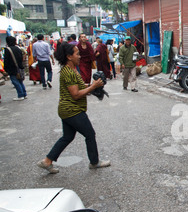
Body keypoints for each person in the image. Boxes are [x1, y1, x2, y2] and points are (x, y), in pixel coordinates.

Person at [37, 42, 111, 174]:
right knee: (89, 134)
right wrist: (93, 87)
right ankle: (94, 162)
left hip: (66, 110)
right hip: (72, 110)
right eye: (77, 54)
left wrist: (94, 87)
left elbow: (80, 89)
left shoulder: (71, 70)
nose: (80, 56)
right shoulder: (68, 72)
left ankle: (47, 161)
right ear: (69, 57)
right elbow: (76, 94)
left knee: (67, 137)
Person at [4, 36, 27, 101]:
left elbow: (6, 60)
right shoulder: (18, 48)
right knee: (20, 81)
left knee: (15, 82)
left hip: (12, 68)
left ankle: (20, 95)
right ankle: (24, 94)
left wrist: (6, 69)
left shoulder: (7, 50)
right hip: (19, 67)